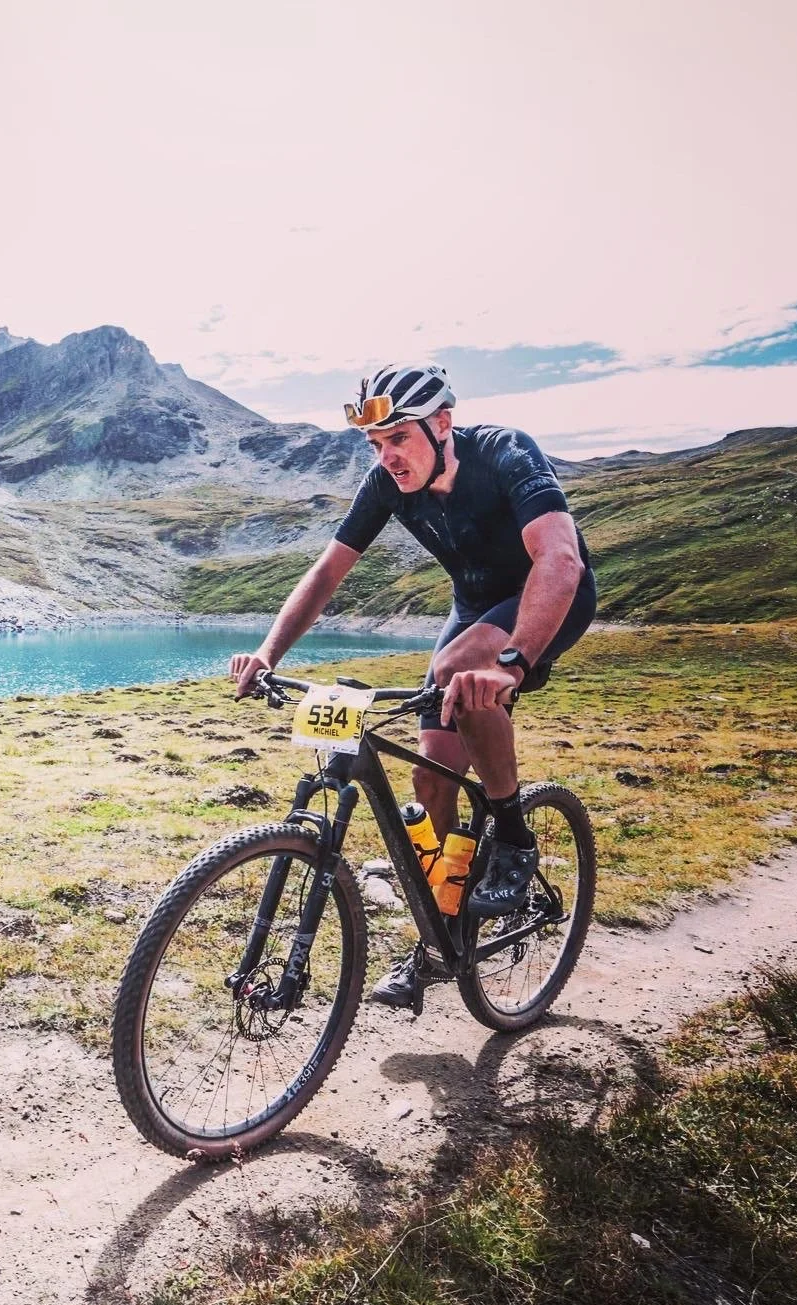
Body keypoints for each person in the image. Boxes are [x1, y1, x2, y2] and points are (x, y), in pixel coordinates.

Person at [228, 364, 597, 1008]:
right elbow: (325, 574)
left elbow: (559, 560)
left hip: (549, 599)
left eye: (398, 437)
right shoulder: (387, 486)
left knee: (461, 667)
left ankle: (513, 837)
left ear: (442, 423)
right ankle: (441, 941)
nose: (387, 455)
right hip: (473, 607)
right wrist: (266, 653)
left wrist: (510, 664)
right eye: (376, 444)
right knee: (430, 783)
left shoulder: (506, 452)